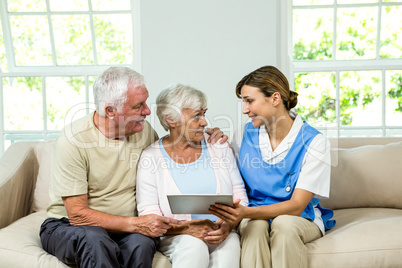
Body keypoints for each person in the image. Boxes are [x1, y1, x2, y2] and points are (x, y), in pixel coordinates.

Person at [39, 67, 227, 268]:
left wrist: (208, 137)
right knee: (96, 239)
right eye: (139, 106)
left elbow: (172, 155)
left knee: (142, 242)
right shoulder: (74, 140)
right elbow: (77, 214)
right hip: (69, 226)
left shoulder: (143, 130)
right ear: (110, 110)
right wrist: (135, 224)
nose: (147, 111)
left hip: (127, 229)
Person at [209, 65, 336, 268]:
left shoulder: (315, 142)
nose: (244, 110)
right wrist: (215, 144)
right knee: (254, 228)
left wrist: (245, 213)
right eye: (243, 101)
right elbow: (228, 177)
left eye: (250, 101)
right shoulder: (243, 134)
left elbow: (296, 207)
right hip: (253, 215)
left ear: (275, 99)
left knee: (283, 224)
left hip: (299, 217)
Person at [136, 84, 249, 268]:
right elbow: (149, 213)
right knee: (193, 246)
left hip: (222, 231)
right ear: (171, 120)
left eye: (204, 113)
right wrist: (185, 228)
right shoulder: (150, 157)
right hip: (177, 235)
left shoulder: (217, 145)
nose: (204, 122)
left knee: (228, 254)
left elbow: (240, 195)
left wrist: (228, 223)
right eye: (196, 115)